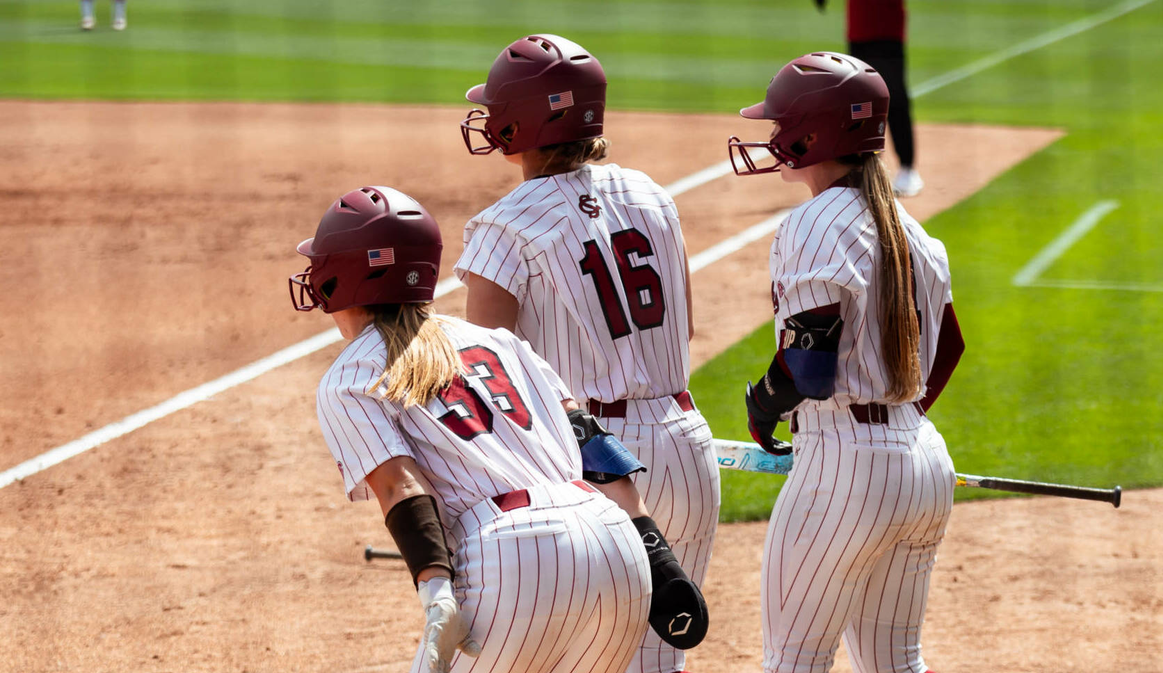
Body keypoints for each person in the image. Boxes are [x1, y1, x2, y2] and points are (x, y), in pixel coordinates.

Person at [288, 185, 707, 673]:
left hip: (515, 559)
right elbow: (592, 443)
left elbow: (400, 485)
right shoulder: (502, 343)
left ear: (341, 277)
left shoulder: (352, 375)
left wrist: (437, 594)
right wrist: (656, 553)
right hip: (615, 544)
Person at [456, 34, 720, 673]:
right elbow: (681, 331)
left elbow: (487, 380)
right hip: (687, 444)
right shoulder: (653, 195)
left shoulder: (505, 225)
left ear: (520, 122)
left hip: (592, 464)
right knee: (659, 664)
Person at [727, 52, 964, 673]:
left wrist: (762, 406)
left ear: (813, 133)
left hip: (843, 473)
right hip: (925, 465)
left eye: (781, 124)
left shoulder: (812, 223)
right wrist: (897, 425)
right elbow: (951, 347)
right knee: (894, 662)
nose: (772, 135)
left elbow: (808, 367)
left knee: (795, 660)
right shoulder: (917, 234)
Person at [814, 0, 921, 197]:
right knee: (861, 100)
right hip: (858, 30)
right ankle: (865, 168)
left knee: (895, 99)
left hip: (888, 31)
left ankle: (907, 169)